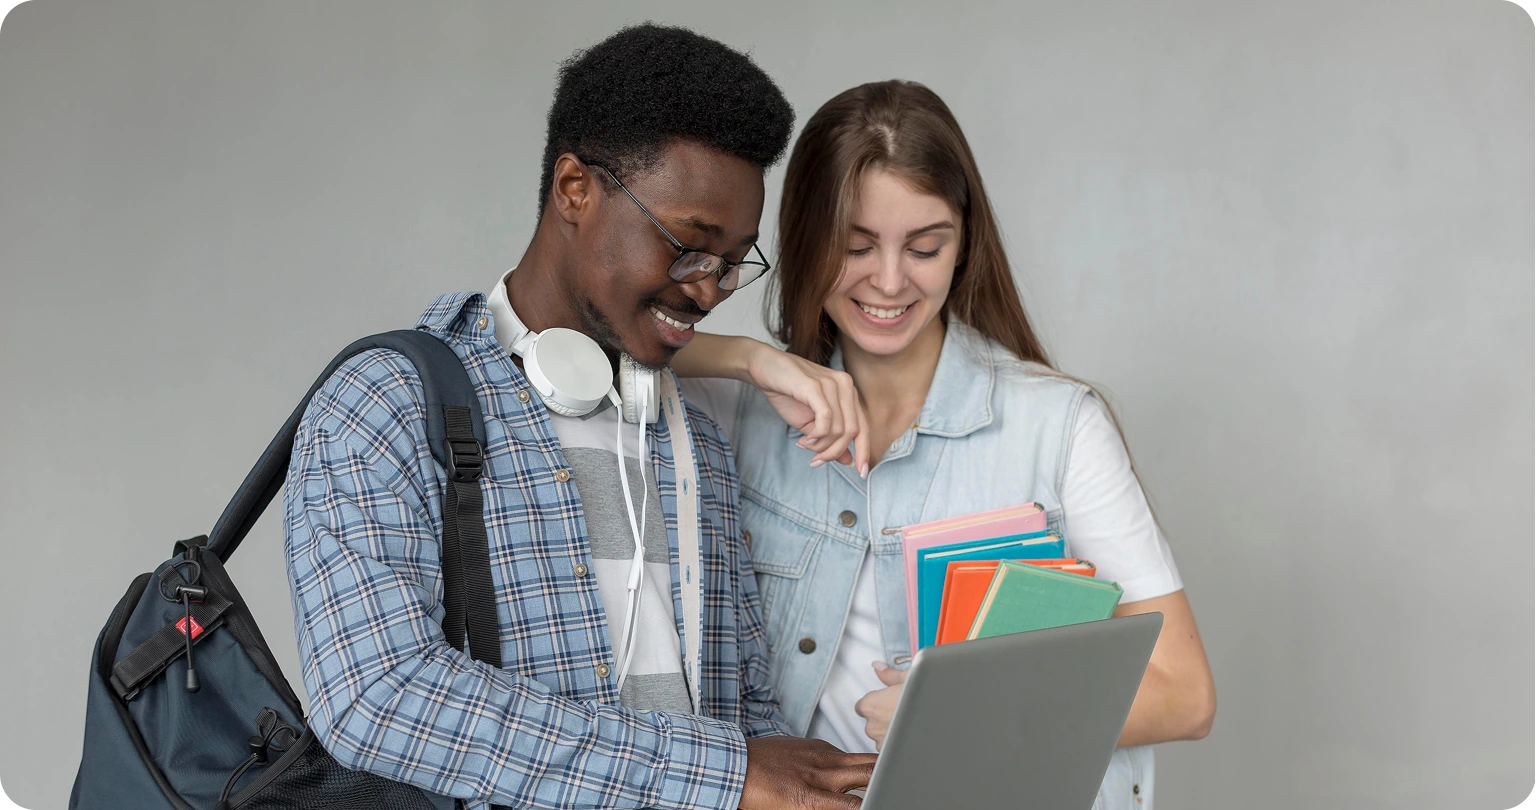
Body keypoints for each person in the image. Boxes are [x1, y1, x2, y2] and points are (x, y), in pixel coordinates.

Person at [283, 25, 877, 810]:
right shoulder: (383, 406)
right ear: (574, 189)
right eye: (688, 247)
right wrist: (722, 775)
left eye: (733, 262)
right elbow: (378, 696)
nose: (707, 289)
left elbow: (745, 712)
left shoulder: (693, 434)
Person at [675, 79, 1217, 808]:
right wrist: (748, 356)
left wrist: (962, 717)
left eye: (925, 247)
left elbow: (1184, 695)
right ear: (805, 239)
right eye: (856, 246)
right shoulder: (741, 410)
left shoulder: (1058, 426)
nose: (890, 281)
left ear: (963, 245)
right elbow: (589, 346)